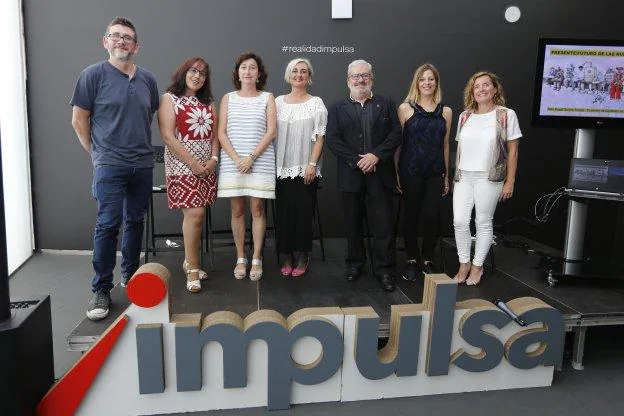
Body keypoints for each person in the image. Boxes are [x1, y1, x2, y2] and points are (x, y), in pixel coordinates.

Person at [70, 17, 159, 320]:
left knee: (135, 222)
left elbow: (146, 118)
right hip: (109, 165)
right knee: (108, 225)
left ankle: (131, 277)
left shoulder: (147, 79)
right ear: (105, 41)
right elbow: (79, 120)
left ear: (137, 46)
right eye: (116, 36)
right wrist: (97, 154)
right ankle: (101, 290)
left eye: (128, 38)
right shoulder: (92, 76)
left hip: (142, 165)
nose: (122, 41)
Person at [326, 59, 402, 291]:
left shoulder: (386, 104)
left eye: (364, 75)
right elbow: (333, 139)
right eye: (355, 76)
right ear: (348, 81)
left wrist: (376, 156)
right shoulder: (337, 108)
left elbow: (396, 134)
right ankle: (355, 264)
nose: (360, 80)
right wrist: (357, 160)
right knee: (352, 224)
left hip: (381, 173)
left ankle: (384, 269)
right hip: (351, 174)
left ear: (372, 78)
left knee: (383, 225)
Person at [452, 71, 521, 286]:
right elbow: (461, 149)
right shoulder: (465, 116)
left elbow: (513, 150)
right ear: (472, 92)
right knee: (460, 221)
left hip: (489, 177)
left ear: (494, 89)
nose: (481, 89)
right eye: (476, 86)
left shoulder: (505, 115)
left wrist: (510, 181)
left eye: (485, 85)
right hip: (464, 176)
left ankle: (477, 266)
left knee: (482, 221)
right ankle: (463, 263)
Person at [157, 57, 219, 293]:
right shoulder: (169, 99)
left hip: (206, 165)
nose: (197, 76)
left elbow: (214, 136)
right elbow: (167, 136)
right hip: (182, 164)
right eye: (193, 71)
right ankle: (193, 268)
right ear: (183, 72)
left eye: (202, 73)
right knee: (195, 213)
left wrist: (213, 160)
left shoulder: (209, 103)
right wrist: (192, 163)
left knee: (199, 216)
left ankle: (188, 260)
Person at [217, 53, 277, 281]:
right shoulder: (228, 98)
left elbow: (271, 131)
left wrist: (251, 157)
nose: (248, 71)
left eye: (252, 68)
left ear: (259, 73)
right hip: (234, 162)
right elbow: (221, 132)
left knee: (257, 209)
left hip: (259, 160)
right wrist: (236, 158)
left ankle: (257, 257)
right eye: (244, 67)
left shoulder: (268, 97)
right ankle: (241, 256)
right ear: (238, 72)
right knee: (237, 210)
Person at [394, 63, 452, 281]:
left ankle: (427, 258)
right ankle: (411, 259)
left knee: (431, 215)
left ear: (436, 82)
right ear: (416, 83)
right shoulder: (405, 108)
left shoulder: (445, 111)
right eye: (422, 79)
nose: (427, 83)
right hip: (410, 169)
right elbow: (398, 144)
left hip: (435, 171)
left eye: (430, 79)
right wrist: (397, 173)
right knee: (411, 215)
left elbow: (445, 145)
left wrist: (446, 174)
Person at [275, 58, 327, 277]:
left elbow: (320, 136)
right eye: (294, 71)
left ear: (309, 76)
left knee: (304, 213)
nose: (299, 75)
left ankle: (303, 255)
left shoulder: (316, 103)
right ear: (288, 75)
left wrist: (312, 165)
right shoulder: (277, 102)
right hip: (280, 168)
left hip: (307, 168)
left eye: (303, 71)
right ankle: (287, 255)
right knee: (284, 213)